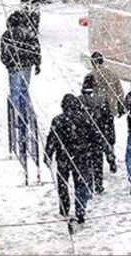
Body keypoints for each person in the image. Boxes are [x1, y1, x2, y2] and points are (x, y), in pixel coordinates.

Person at [46, 94, 97, 222]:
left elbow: (52, 139)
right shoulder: (85, 119)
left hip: (63, 157)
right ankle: (80, 209)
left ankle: (64, 207)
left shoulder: (57, 120)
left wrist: (48, 154)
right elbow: (94, 138)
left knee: (63, 183)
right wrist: (93, 152)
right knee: (80, 184)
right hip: (81, 156)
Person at [1, 9, 41, 118]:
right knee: (24, 90)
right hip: (27, 65)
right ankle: (28, 112)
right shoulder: (30, 34)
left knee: (15, 91)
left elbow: (4, 52)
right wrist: (37, 64)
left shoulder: (8, 35)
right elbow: (36, 49)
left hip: (14, 66)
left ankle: (16, 113)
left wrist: (8, 63)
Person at [79, 73, 115, 194]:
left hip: (85, 136)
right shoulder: (102, 99)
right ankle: (98, 183)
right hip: (99, 133)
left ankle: (89, 183)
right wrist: (109, 135)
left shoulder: (79, 100)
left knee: (86, 160)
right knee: (98, 159)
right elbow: (109, 120)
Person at [89, 51, 126, 118]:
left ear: (92, 62)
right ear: (102, 61)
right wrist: (120, 105)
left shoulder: (90, 76)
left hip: (97, 110)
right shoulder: (113, 74)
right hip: (111, 109)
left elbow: (87, 95)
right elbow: (120, 92)